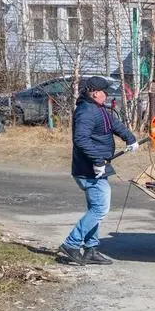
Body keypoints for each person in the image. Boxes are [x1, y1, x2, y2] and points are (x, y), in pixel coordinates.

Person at [59, 76, 138, 266]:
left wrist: (131, 139)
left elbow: (114, 125)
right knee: (100, 209)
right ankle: (71, 244)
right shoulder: (86, 112)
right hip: (89, 170)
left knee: (95, 209)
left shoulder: (98, 109)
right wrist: (97, 161)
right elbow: (81, 140)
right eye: (105, 92)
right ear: (94, 92)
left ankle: (90, 250)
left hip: (96, 168)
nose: (107, 95)